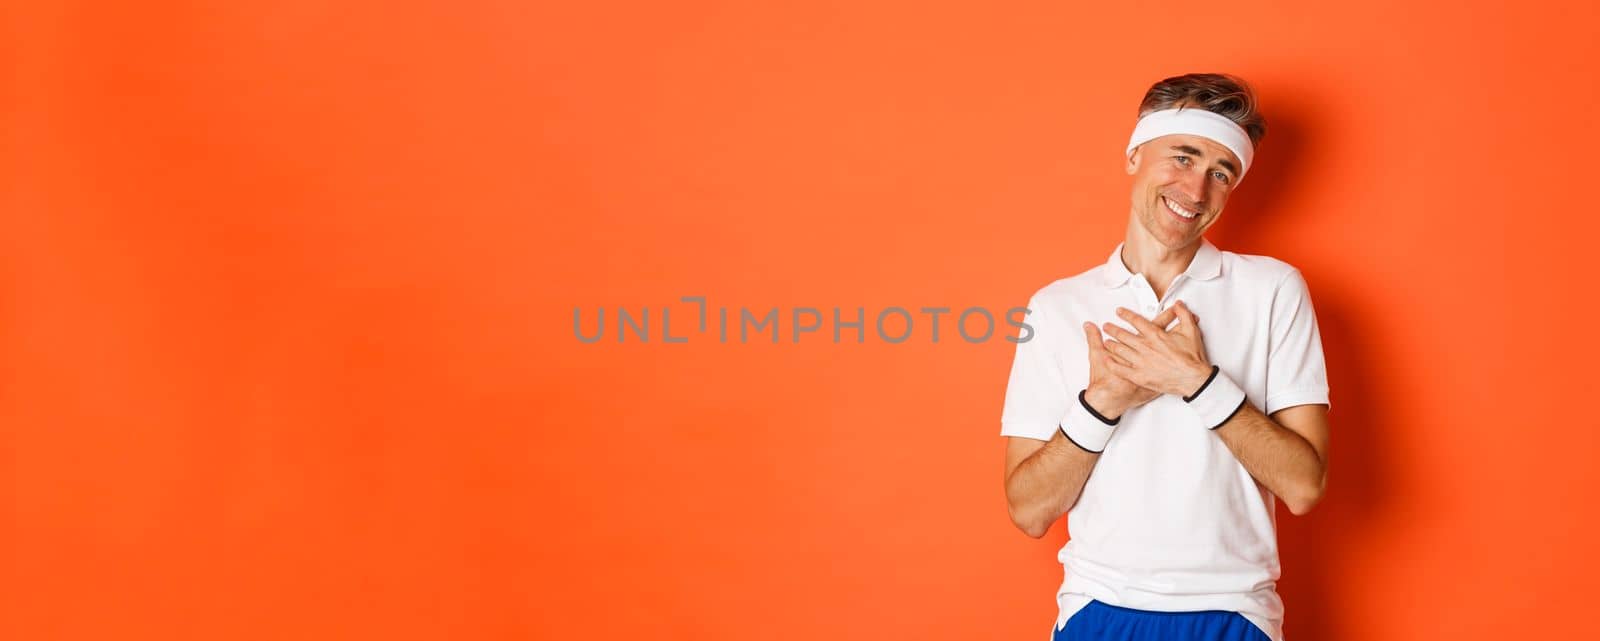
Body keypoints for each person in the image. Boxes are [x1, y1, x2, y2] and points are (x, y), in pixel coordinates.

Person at [1000, 73, 1331, 641]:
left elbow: (1303, 486)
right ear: (1135, 155)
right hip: (1098, 608)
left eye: (1220, 173)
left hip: (1235, 613)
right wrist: (1104, 401)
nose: (1196, 189)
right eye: (1183, 156)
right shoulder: (1056, 307)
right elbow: (1029, 511)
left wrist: (1197, 382)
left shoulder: (1273, 290)